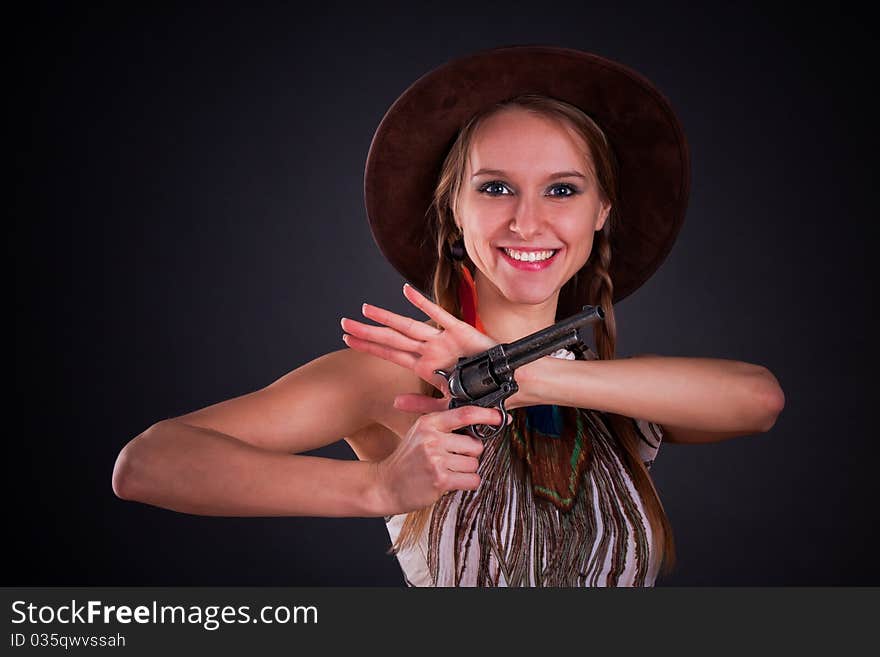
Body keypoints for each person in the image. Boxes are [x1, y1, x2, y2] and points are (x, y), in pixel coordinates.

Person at [112, 46, 785, 587]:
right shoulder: (394, 379)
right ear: (453, 216)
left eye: (562, 189)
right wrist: (375, 485)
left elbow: (759, 398)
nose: (528, 220)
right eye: (494, 188)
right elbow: (148, 463)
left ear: (600, 212)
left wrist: (529, 378)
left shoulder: (620, 394)